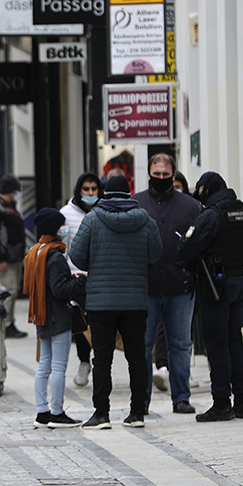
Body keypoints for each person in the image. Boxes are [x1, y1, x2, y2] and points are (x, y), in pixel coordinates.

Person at [69, 175, 162, 430]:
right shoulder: (145, 220)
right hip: (135, 301)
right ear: (129, 193)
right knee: (137, 357)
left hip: (101, 302)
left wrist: (95, 263)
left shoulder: (93, 219)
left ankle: (101, 414)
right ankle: (137, 413)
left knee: (102, 358)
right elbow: (156, 254)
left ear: (105, 193)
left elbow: (76, 256)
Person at [178, 172, 243, 422]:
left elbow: (185, 249)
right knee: (235, 341)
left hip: (216, 285)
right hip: (237, 281)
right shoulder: (242, 211)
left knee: (216, 342)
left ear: (204, 189)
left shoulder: (212, 214)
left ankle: (222, 403)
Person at [133, 154, 201, 415]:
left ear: (174, 175)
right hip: (145, 287)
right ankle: (142, 400)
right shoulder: (135, 203)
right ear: (149, 173)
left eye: (166, 174)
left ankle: (181, 397)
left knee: (181, 344)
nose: (161, 178)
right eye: (156, 174)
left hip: (180, 286)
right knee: (143, 345)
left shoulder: (191, 206)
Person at [24, 208, 86, 429]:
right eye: (62, 225)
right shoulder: (55, 255)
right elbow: (60, 289)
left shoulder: (35, 251)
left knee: (44, 366)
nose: (64, 228)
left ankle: (42, 412)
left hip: (41, 314)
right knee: (59, 367)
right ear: (55, 228)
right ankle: (57, 413)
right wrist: (78, 281)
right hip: (58, 316)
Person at [60, 172, 103, 386]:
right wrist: (70, 273)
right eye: (86, 190)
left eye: (94, 189)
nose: (90, 194)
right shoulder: (66, 215)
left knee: (100, 323)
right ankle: (84, 361)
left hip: (102, 279)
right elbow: (62, 249)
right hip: (78, 279)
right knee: (81, 323)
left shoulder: (104, 211)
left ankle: (100, 363)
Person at [0, 174, 27, 338]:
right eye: (16, 190)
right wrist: (0, 257)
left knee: (13, 290)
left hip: (14, 256)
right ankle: (5, 324)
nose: (17, 194)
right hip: (6, 257)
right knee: (9, 291)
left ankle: (10, 322)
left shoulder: (8, 206)